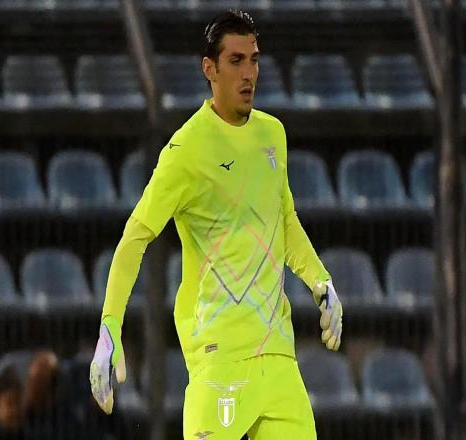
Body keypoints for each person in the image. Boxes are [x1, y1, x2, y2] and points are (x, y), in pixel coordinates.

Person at [90, 9, 342, 440]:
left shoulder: (273, 134)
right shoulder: (187, 150)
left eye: (254, 60)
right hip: (220, 360)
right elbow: (136, 236)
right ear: (209, 69)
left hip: (279, 361)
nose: (249, 74)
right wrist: (110, 325)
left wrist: (321, 280)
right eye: (236, 61)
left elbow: (284, 220)